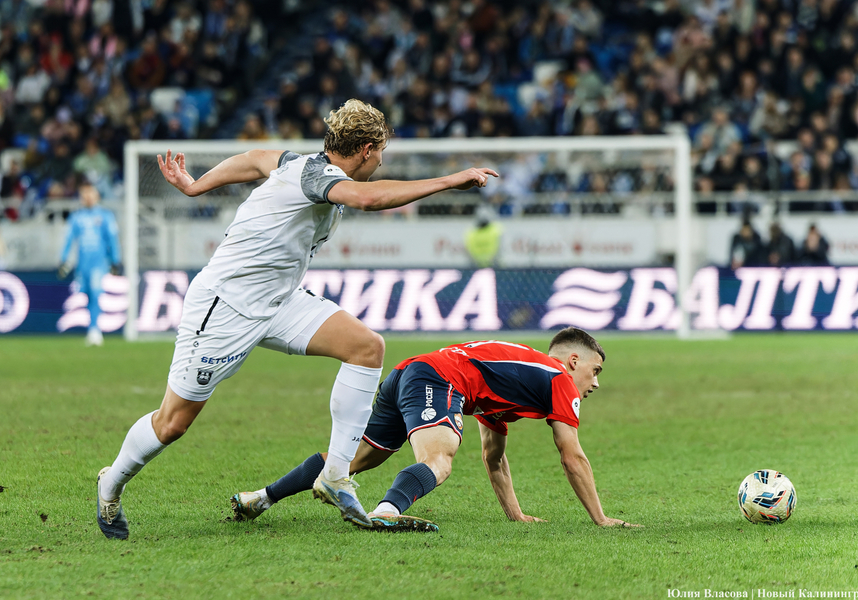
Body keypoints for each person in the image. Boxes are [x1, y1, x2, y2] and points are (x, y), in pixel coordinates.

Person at [95, 99, 499, 540]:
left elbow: (254, 159)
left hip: (280, 300)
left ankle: (336, 475)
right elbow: (368, 198)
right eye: (381, 151)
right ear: (367, 149)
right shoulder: (318, 176)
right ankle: (111, 483)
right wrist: (450, 180)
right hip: (226, 307)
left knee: (366, 347)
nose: (381, 160)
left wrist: (195, 186)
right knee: (173, 423)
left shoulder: (297, 163)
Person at [231, 327, 640, 531]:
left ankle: (259, 498)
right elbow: (572, 456)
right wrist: (601, 519)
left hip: (410, 374)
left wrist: (515, 515)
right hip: (437, 380)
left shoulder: (518, 382)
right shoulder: (558, 378)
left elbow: (494, 458)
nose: (596, 383)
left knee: (351, 461)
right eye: (595, 371)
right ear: (573, 361)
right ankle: (386, 513)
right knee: (439, 460)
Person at [58, 179, 122, 346]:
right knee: (86, 293)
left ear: (96, 195)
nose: (87, 197)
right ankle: (93, 329)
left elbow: (112, 239)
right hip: (82, 264)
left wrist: (115, 260)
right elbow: (69, 239)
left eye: (90, 193)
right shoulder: (76, 217)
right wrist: (63, 259)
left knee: (95, 291)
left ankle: (95, 330)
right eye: (84, 193)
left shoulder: (105, 216)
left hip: (99, 263)